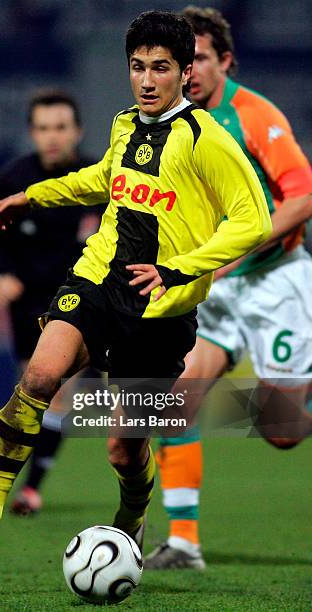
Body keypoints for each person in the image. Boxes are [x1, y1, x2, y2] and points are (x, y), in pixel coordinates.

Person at [0, 10, 271, 559]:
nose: (146, 80)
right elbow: (103, 180)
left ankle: (131, 517)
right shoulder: (124, 124)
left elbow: (253, 219)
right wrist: (34, 194)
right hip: (98, 277)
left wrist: (179, 268)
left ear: (186, 72)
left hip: (160, 311)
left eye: (160, 68)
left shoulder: (205, 139)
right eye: (137, 67)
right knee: (42, 374)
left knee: (123, 449)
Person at [144, 6, 312, 571]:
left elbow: (302, 196)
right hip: (215, 289)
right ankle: (185, 542)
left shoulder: (255, 115)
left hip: (273, 283)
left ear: (226, 62)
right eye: (183, 60)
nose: (189, 71)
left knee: (282, 432)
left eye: (201, 60)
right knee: (171, 401)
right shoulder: (170, 123)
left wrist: (237, 250)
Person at [0, 89, 101, 515]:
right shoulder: (13, 180)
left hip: (82, 299)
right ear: (33, 133)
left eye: (61, 128)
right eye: (44, 128)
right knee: (30, 392)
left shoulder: (99, 177)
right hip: (28, 301)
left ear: (77, 131)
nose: (53, 137)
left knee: (59, 393)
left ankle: (29, 488)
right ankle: (22, 482)